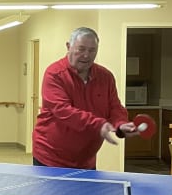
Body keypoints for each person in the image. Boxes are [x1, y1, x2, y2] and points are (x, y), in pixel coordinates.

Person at [32, 26, 141, 169]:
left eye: (92, 50)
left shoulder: (105, 77)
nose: (86, 55)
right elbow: (63, 111)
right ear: (68, 46)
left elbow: (114, 106)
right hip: (50, 157)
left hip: (86, 159)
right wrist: (99, 124)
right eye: (81, 49)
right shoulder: (54, 74)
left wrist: (120, 124)